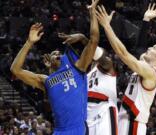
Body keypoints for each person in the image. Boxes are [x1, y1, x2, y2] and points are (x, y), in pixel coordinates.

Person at [10, 0, 99, 134]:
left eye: (59, 52)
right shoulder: (46, 80)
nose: (57, 53)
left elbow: (94, 40)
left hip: (78, 129)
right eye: (53, 53)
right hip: (59, 131)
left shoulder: (77, 68)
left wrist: (92, 12)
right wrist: (29, 43)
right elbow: (15, 70)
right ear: (49, 61)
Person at [95, 3, 156, 135]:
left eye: (154, 48)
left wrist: (107, 27)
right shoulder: (145, 65)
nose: (149, 48)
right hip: (125, 119)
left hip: (134, 123)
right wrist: (146, 20)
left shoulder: (151, 73)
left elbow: (123, 54)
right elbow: (139, 49)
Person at [58, 33, 118, 135]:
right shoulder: (86, 74)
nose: (94, 52)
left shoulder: (108, 66)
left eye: (98, 50)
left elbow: (96, 53)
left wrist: (83, 39)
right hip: (87, 113)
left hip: (103, 109)